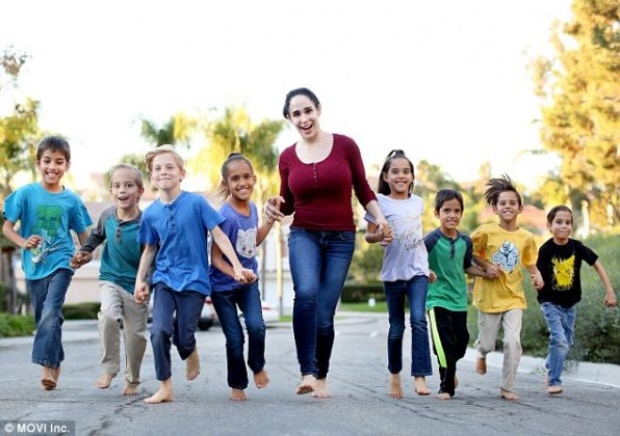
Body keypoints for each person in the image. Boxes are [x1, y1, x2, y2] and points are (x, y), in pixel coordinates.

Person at [264, 87, 392, 398]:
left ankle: (321, 374)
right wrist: (274, 206)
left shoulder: (346, 146)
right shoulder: (287, 157)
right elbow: (289, 203)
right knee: (305, 293)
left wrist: (380, 218)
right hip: (304, 233)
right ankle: (306, 371)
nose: (304, 118)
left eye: (308, 110)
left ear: (318, 110)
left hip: (341, 238)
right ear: (289, 119)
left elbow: (362, 189)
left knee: (324, 313)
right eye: (296, 114)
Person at [133, 145, 255, 404]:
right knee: (159, 331)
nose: (163, 171)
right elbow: (149, 249)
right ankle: (164, 386)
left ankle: (190, 351)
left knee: (183, 338)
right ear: (152, 177)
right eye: (157, 168)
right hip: (164, 278)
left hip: (195, 281)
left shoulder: (196, 203)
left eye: (169, 167)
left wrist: (235, 266)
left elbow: (219, 236)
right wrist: (139, 282)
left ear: (181, 174)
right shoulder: (151, 213)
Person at [2, 135, 93, 390]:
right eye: (47, 161)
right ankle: (57, 358)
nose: (53, 167)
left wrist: (82, 256)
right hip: (34, 265)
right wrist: (22, 242)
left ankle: (47, 367)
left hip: (62, 262)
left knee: (51, 311)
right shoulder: (25, 194)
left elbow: (84, 238)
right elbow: (8, 228)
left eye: (59, 162)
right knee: (44, 316)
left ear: (67, 166)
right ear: (38, 162)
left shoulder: (72, 200)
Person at [70, 164, 148, 396]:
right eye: (116, 186)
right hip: (110, 279)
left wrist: (146, 283)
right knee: (108, 315)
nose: (122, 190)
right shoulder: (107, 216)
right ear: (111, 191)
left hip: (136, 285)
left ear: (140, 191)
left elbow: (152, 256)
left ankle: (133, 378)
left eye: (128, 185)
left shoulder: (147, 223)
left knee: (135, 334)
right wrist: (84, 252)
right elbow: (95, 237)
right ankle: (110, 368)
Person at [364, 149, 431, 398]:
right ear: (386, 175)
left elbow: (417, 235)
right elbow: (369, 235)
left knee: (418, 320)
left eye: (406, 172)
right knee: (396, 327)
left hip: (418, 271)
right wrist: (379, 235)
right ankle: (394, 375)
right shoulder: (378, 203)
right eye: (395, 171)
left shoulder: (419, 202)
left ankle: (420, 377)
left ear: (412, 177)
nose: (401, 176)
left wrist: (427, 267)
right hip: (393, 273)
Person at [471, 174, 544, 401]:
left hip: (514, 297)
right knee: (488, 344)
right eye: (503, 203)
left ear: (520, 207)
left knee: (513, 341)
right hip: (488, 297)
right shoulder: (485, 232)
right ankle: (481, 352)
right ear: (495, 208)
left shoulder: (527, 237)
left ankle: (507, 386)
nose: (508, 206)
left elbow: (529, 262)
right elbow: (470, 253)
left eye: (512, 203)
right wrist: (486, 265)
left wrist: (537, 275)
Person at [209, 153, 274, 401]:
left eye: (246, 177)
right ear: (226, 183)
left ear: (254, 179)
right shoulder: (224, 216)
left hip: (248, 284)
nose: (242, 182)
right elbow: (215, 258)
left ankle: (257, 365)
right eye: (235, 178)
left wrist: (268, 222)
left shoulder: (254, 208)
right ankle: (237, 383)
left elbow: (252, 241)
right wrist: (234, 271)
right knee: (235, 338)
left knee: (257, 327)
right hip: (222, 287)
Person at [536, 205, 617, 395]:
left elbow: (597, 264)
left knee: (566, 342)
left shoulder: (577, 247)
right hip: (550, 303)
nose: (564, 226)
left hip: (570, 305)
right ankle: (553, 381)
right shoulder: (546, 249)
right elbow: (537, 272)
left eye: (568, 222)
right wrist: (537, 281)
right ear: (549, 225)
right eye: (559, 222)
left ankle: (550, 362)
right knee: (559, 339)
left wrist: (610, 291)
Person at [424, 189, 489, 400]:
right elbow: (416, 264)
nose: (452, 215)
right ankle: (446, 386)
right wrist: (426, 271)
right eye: (447, 210)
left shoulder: (465, 242)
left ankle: (450, 368)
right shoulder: (430, 240)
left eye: (457, 211)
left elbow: (466, 266)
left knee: (461, 343)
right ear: (437, 213)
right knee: (444, 345)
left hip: (459, 301)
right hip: (436, 299)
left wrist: (486, 273)